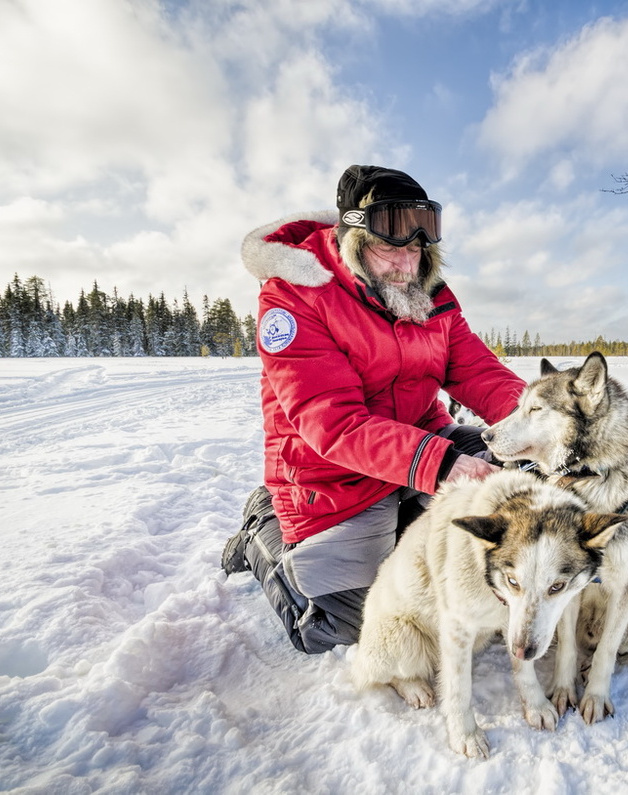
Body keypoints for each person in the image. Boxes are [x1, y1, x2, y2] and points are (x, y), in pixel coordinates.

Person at [221, 165, 526, 653]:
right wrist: (442, 464)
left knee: (513, 472)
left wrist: (548, 420)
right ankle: (264, 528)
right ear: (353, 238)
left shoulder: (428, 295)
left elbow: (479, 372)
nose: (406, 265)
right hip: (330, 477)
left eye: (417, 249)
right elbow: (332, 422)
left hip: (415, 451)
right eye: (390, 247)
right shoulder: (296, 294)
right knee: (367, 623)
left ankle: (409, 522)